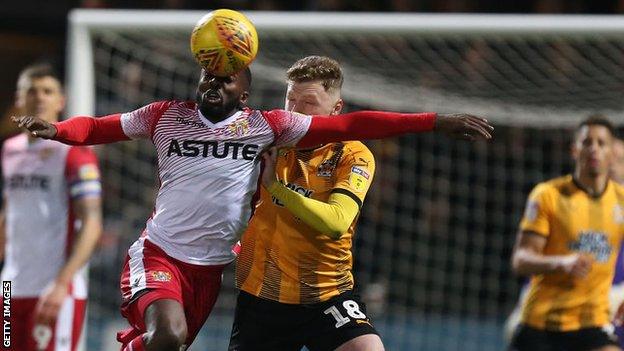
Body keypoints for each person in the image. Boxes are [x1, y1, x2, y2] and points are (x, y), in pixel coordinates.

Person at [13, 65, 493, 351]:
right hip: (160, 252)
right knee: (167, 337)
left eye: (226, 80)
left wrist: (434, 121)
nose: (213, 84)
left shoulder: (269, 127)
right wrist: (59, 130)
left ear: (245, 92)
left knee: (173, 344)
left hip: (215, 269)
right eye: (208, 77)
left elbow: (356, 124)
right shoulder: (165, 115)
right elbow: (101, 127)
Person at [228, 55, 385, 351]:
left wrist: (276, 188)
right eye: (291, 99)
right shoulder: (268, 140)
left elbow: (337, 221)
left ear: (336, 108)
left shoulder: (353, 154)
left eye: (309, 102)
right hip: (263, 295)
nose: (296, 111)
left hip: (326, 295)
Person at [1, 63, 103, 351]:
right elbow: (10, 213)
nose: (39, 97)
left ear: (61, 101)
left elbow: (92, 224)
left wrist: (62, 284)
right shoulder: (10, 150)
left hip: (55, 290)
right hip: (9, 290)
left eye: (48, 91)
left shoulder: (74, 151)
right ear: (19, 99)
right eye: (31, 91)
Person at [509, 116, 623, 351]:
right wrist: (561, 262)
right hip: (541, 324)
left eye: (601, 144)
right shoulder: (548, 195)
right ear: (574, 150)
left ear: (612, 153)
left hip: (592, 323)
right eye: (587, 142)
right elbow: (521, 260)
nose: (594, 149)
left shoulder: (621, 201)